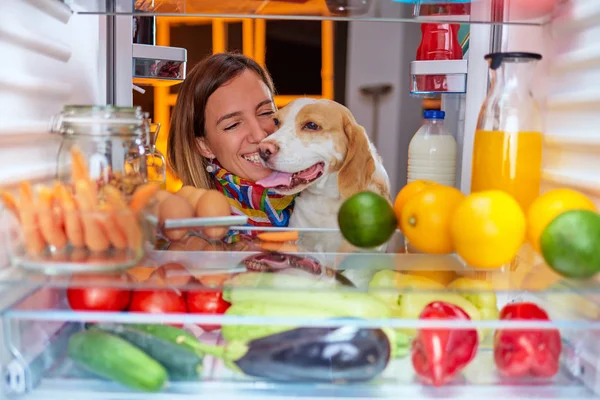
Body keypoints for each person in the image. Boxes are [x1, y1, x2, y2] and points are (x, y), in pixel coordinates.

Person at [167, 52, 296, 241]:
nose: (259, 135)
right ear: (204, 146)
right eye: (233, 125)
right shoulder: (191, 223)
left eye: (266, 112)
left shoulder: (317, 198)